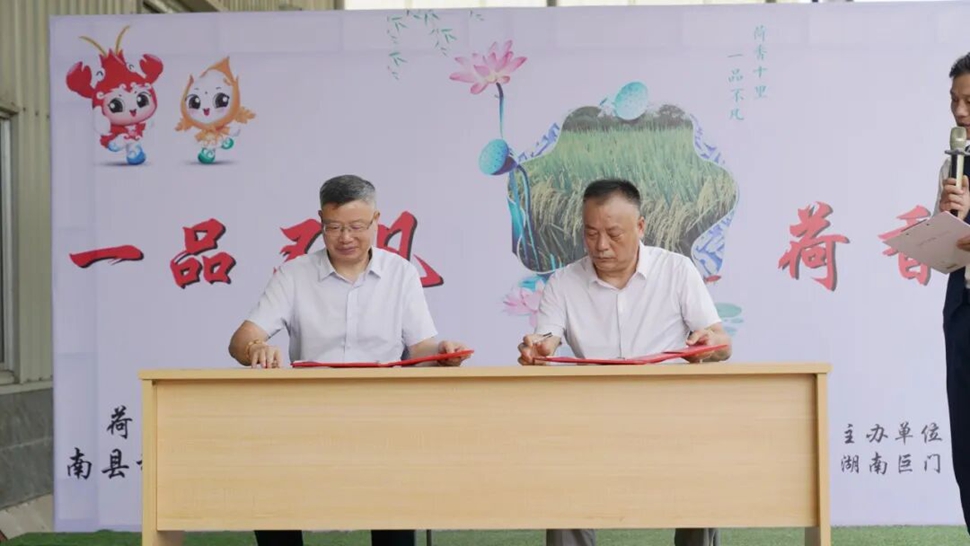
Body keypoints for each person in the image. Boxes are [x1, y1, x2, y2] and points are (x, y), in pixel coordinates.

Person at [228, 174, 470, 546]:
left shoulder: (400, 274)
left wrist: (443, 355)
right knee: (270, 482)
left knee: (395, 497)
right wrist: (255, 348)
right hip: (306, 415)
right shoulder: (294, 274)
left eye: (357, 227)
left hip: (383, 415)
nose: (345, 238)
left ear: (376, 221)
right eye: (334, 227)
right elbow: (240, 341)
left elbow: (421, 349)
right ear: (320, 222)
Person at [517, 178, 732, 546]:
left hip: (671, 417)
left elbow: (721, 342)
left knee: (702, 475)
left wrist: (711, 345)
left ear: (641, 227)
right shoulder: (563, 283)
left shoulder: (676, 271)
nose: (601, 245)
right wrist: (539, 348)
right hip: (593, 420)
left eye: (614, 234)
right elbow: (547, 338)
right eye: (591, 233)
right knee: (564, 476)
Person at [938, 52, 970, 536]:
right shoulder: (954, 164)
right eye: (954, 100)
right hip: (962, 313)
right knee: (965, 441)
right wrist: (947, 218)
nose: (960, 112)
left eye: (969, 101)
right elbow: (946, 248)